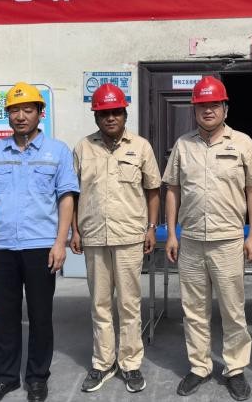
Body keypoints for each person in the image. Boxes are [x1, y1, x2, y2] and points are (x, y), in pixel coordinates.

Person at [163, 76, 252, 401]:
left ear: (225, 108)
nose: (208, 110)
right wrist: (171, 233)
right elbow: (173, 190)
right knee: (193, 310)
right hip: (191, 241)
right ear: (194, 110)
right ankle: (200, 366)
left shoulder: (243, 143)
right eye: (201, 105)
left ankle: (235, 369)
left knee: (233, 310)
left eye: (214, 105)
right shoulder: (183, 145)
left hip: (228, 241)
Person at [0, 82, 79, 402]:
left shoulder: (57, 151)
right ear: (7, 115)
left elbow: (66, 198)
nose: (20, 116)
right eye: (14, 110)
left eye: (27, 110)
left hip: (40, 246)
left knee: (40, 315)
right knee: (5, 315)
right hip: (2, 246)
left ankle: (36, 377)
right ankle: (5, 378)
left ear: (39, 113)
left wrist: (60, 243)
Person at [70, 83, 161, 394]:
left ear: (125, 114)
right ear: (96, 117)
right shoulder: (83, 148)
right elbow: (73, 194)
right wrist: (75, 230)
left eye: (116, 112)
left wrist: (151, 227)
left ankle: (130, 363)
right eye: (104, 113)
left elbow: (152, 189)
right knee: (100, 304)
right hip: (94, 236)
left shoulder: (141, 147)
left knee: (129, 304)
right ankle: (103, 362)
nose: (110, 117)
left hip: (129, 237)